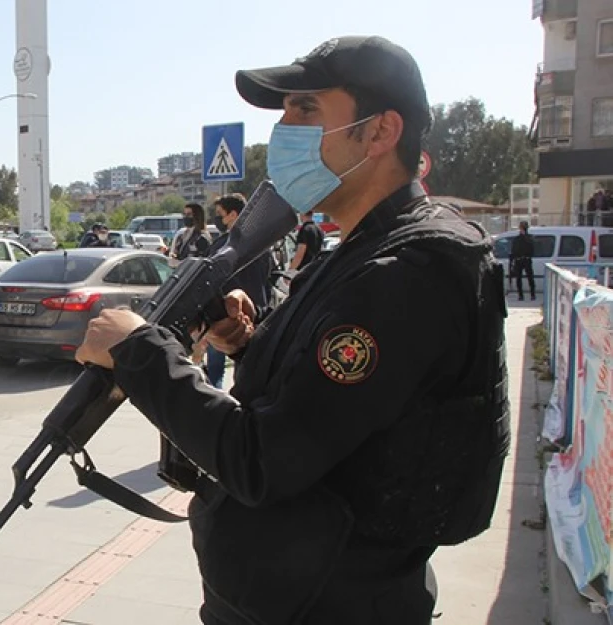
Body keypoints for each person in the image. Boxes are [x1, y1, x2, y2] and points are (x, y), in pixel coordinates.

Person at [75, 36, 508, 625]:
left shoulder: (404, 274)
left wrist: (139, 351)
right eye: (284, 113)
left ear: (380, 133)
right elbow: (345, 412)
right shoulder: (363, 248)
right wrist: (249, 343)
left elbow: (264, 461)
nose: (284, 128)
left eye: (305, 110)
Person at [199, 194, 276, 390]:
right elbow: (268, 278)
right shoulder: (262, 244)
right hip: (256, 318)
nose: (218, 220)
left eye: (220, 215)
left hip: (225, 319)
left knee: (215, 373)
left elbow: (208, 282)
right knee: (248, 375)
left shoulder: (221, 247)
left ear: (233, 214)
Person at [168, 202, 213, 268]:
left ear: (197, 216)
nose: (186, 217)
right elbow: (179, 255)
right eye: (184, 214)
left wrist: (179, 263)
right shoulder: (182, 236)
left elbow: (200, 263)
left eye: (189, 214)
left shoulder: (202, 237)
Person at [509, 220, 536, 300]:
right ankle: (520, 295)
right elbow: (514, 249)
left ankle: (532, 294)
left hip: (527, 260)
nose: (521, 229)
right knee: (518, 279)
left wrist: (524, 235)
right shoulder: (517, 239)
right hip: (518, 260)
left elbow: (532, 247)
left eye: (523, 227)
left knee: (530, 278)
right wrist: (513, 259)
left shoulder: (530, 237)